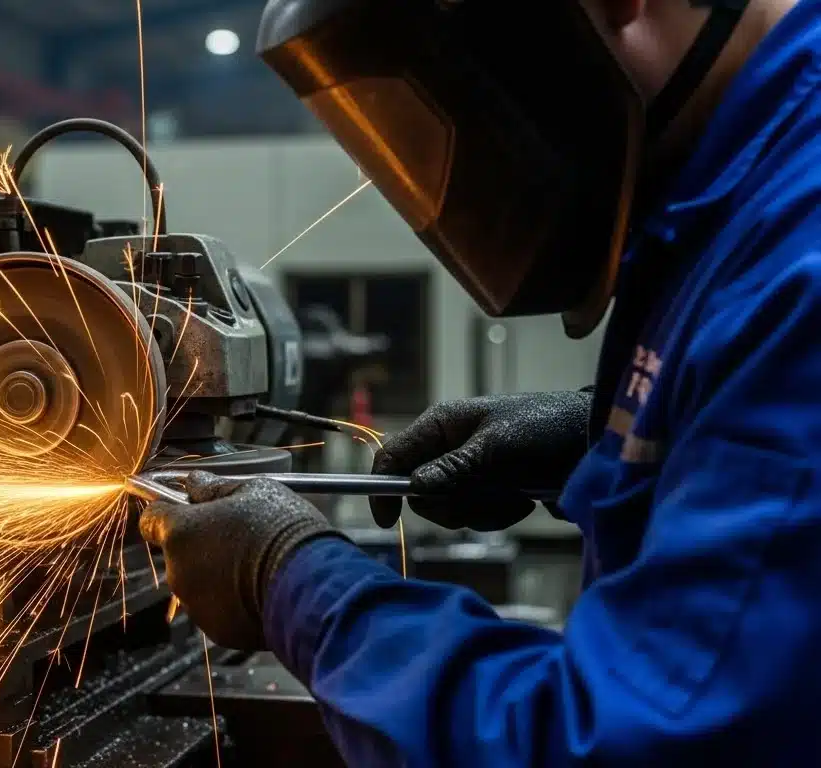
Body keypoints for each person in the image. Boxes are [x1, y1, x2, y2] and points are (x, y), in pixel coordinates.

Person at [139, 0, 821, 764]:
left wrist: (291, 582)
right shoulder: (744, 187)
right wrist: (604, 440)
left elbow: (606, 745)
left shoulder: (799, 255)